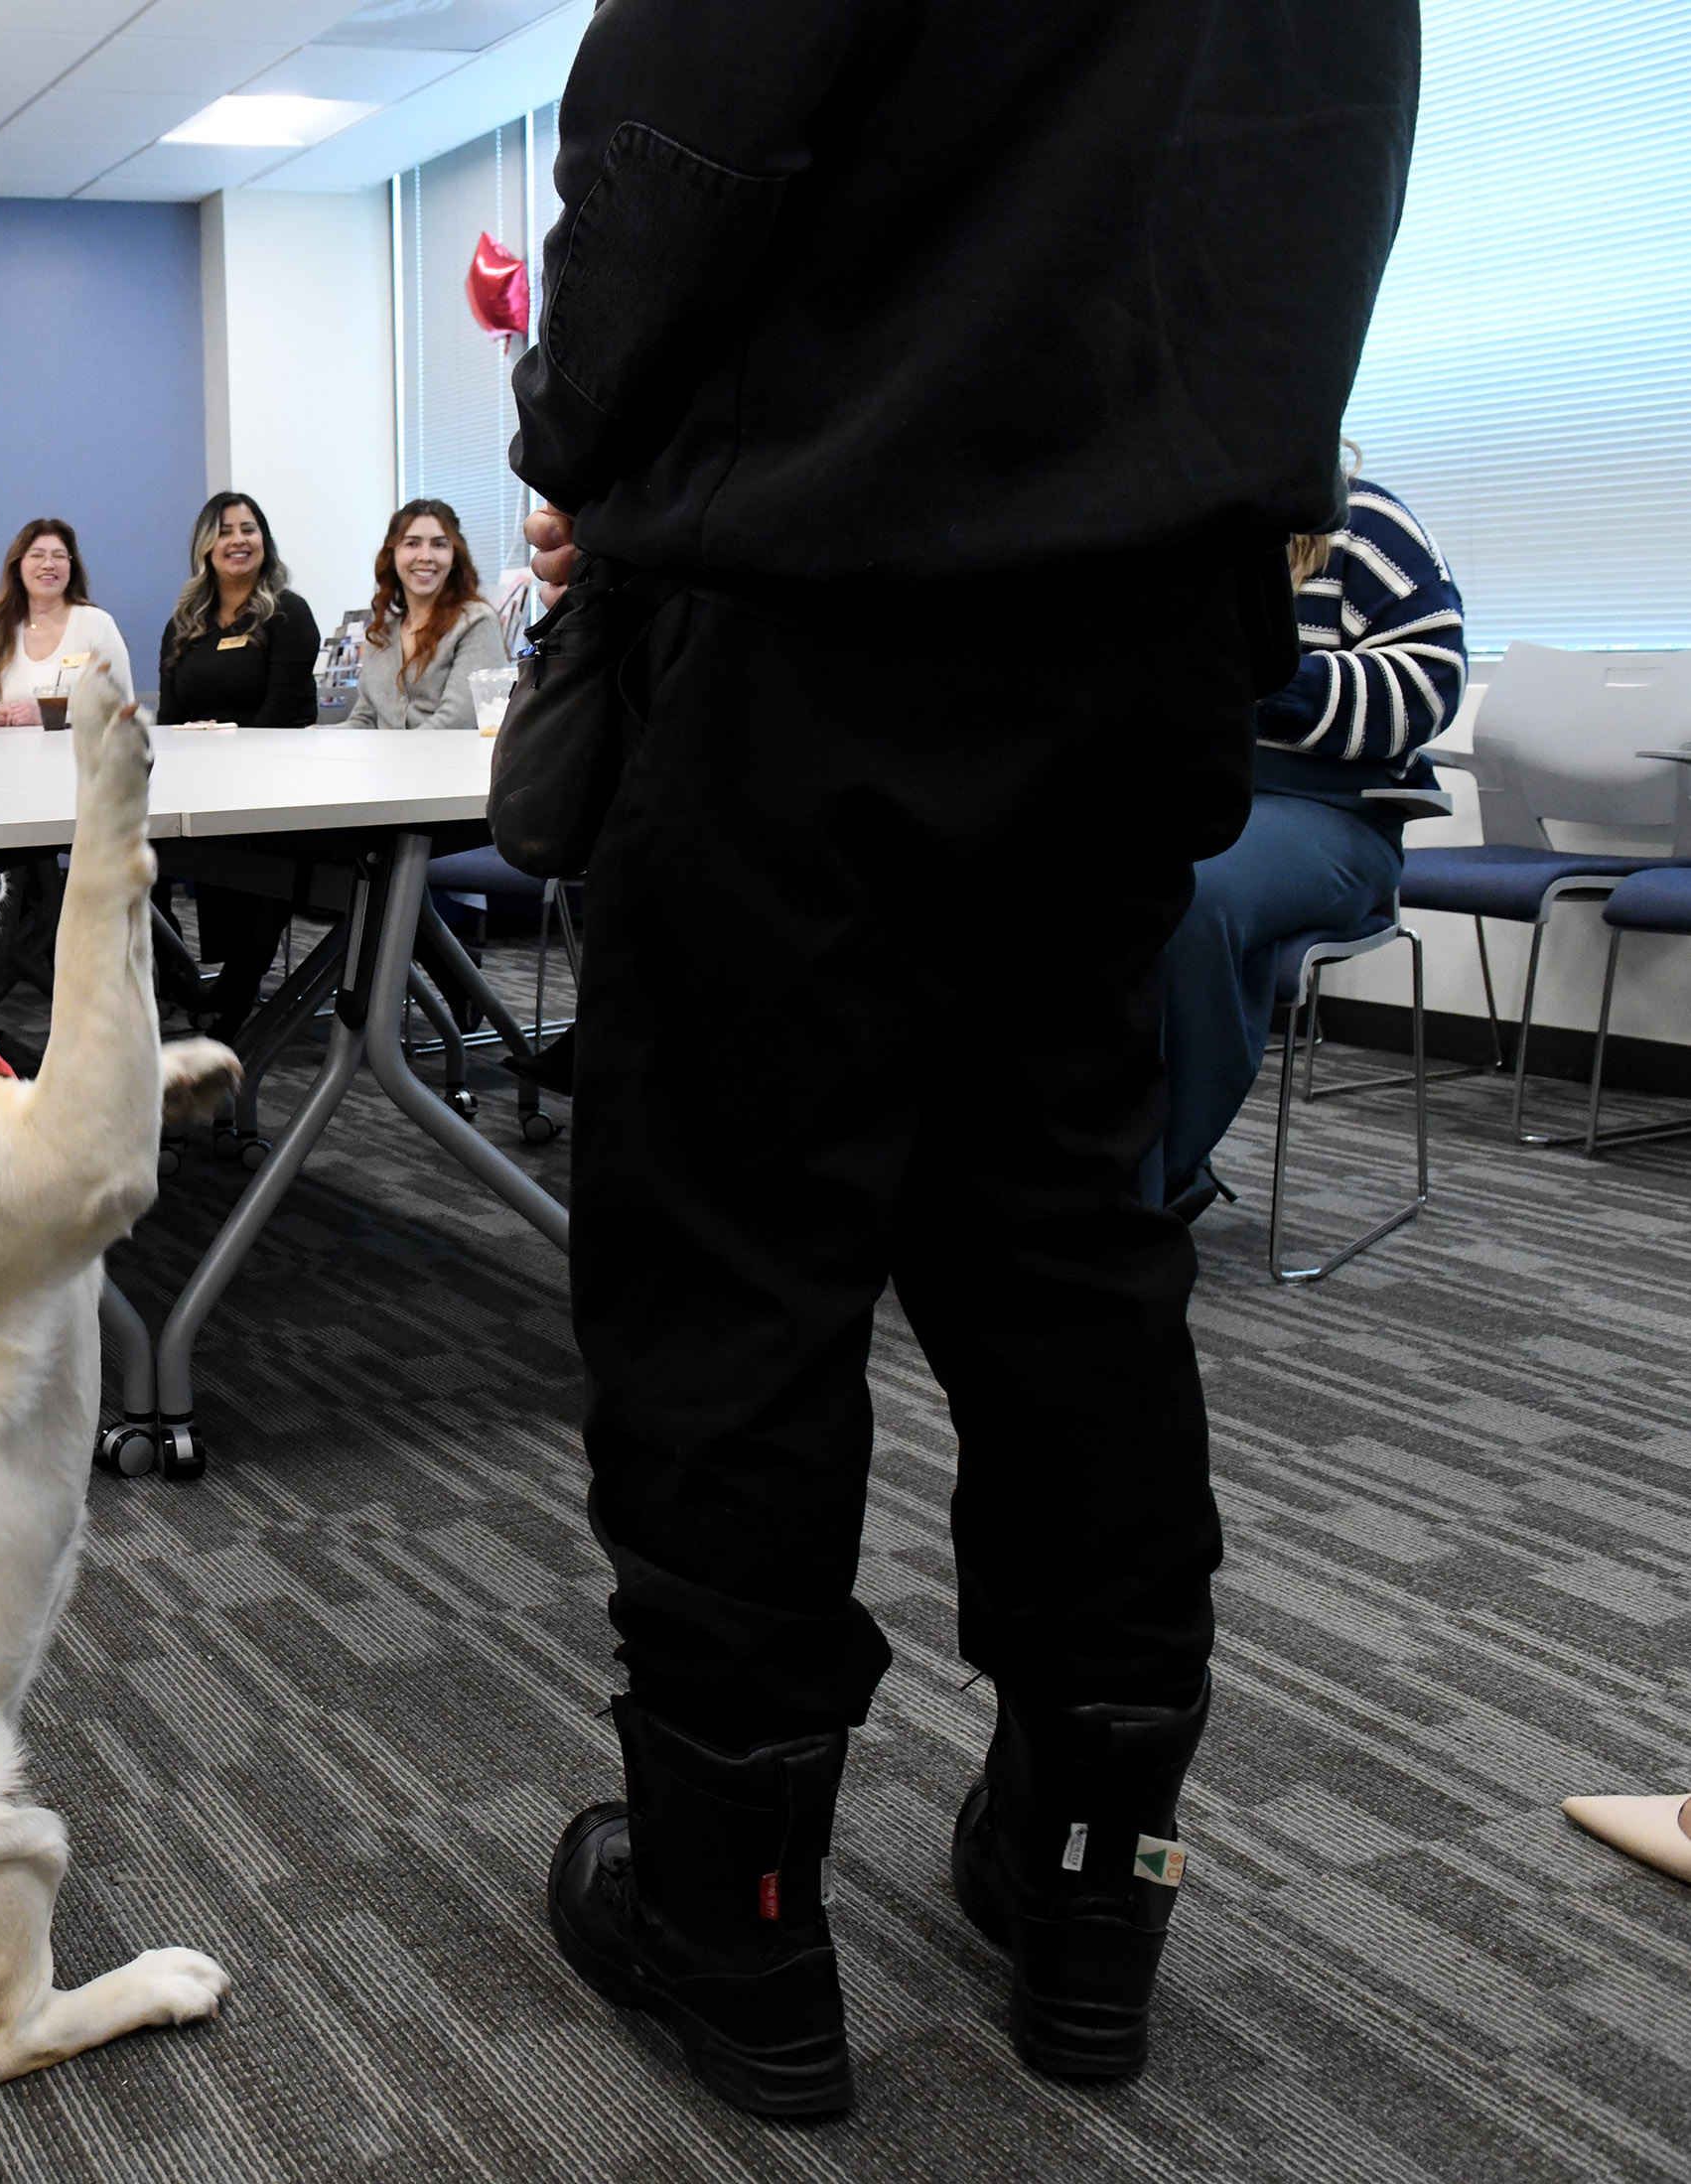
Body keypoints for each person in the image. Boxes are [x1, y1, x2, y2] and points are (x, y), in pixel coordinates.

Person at [508, 0, 1418, 2117]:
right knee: (1069, 1246)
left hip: (822, 599)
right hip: (1146, 622)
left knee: (735, 1265)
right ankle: (1095, 1878)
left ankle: (736, 1922)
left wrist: (585, 438)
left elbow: (682, 135)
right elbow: (1311, 204)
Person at [1155, 469, 1463, 1220]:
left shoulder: (1361, 517)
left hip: (1329, 808)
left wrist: (1254, 684)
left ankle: (1153, 1177)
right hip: (1172, 798)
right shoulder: (1152, 519)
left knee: (1191, 893)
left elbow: (1430, 683)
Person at [157, 491, 321, 1034]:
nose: (238, 540)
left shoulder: (287, 613)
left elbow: (289, 710)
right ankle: (169, 972)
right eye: (225, 530)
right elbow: (171, 715)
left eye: (249, 529)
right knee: (136, 844)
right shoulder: (186, 622)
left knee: (254, 853)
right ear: (206, 546)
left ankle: (238, 989)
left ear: (264, 542)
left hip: (269, 779)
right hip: (198, 779)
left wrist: (229, 740)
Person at [0, 519, 133, 729]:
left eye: (59, 556)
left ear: (71, 566)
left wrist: (55, 716)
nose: (48, 564)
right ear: (18, 566)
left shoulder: (98, 625)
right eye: (37, 555)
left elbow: (124, 708)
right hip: (11, 759)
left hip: (85, 758)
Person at [350, 499, 509, 733]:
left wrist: (390, 758)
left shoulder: (476, 622)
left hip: (446, 765)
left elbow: (458, 721)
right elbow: (364, 720)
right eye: (412, 543)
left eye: (439, 544)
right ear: (393, 555)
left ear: (455, 556)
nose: (425, 556)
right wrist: (317, 738)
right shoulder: (381, 633)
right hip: (386, 765)